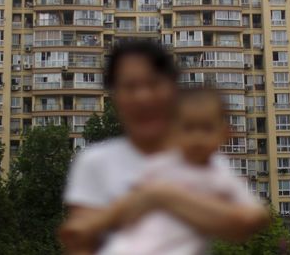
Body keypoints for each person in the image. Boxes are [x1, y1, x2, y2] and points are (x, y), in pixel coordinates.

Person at [60, 40, 269, 254]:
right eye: (130, 86)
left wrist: (161, 196)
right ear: (114, 94)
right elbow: (80, 240)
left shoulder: (204, 160)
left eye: (153, 84)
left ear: (172, 89)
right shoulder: (95, 161)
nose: (142, 96)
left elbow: (249, 220)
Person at [98, 87, 262, 255]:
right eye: (188, 128)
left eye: (206, 128)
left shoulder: (221, 172)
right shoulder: (162, 163)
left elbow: (254, 214)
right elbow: (131, 199)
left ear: (225, 133)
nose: (197, 137)